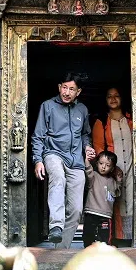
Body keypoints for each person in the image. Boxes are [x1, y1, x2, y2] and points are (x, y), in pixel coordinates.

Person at [32, 73, 97, 248]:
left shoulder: (82, 110)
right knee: (58, 179)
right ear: (59, 87)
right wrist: (38, 160)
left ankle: (61, 249)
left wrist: (87, 147)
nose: (67, 92)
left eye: (72, 89)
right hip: (53, 153)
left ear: (78, 91)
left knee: (76, 209)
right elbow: (38, 136)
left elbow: (85, 135)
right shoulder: (47, 106)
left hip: (76, 160)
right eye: (64, 87)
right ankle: (55, 226)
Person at [92, 87, 134, 245]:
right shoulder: (101, 122)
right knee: (114, 203)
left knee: (132, 200)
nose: (113, 99)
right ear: (105, 100)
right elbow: (98, 148)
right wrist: (110, 169)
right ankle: (116, 238)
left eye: (117, 95)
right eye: (109, 96)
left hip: (132, 168)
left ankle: (133, 237)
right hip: (111, 172)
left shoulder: (132, 120)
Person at [83, 151, 122, 247]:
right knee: (88, 237)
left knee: (105, 238)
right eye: (101, 163)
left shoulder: (112, 181)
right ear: (97, 164)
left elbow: (116, 194)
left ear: (112, 168)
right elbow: (88, 171)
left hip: (105, 215)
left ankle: (103, 257)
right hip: (91, 212)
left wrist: (119, 182)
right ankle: (87, 255)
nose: (103, 167)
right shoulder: (94, 176)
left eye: (107, 165)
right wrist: (87, 160)